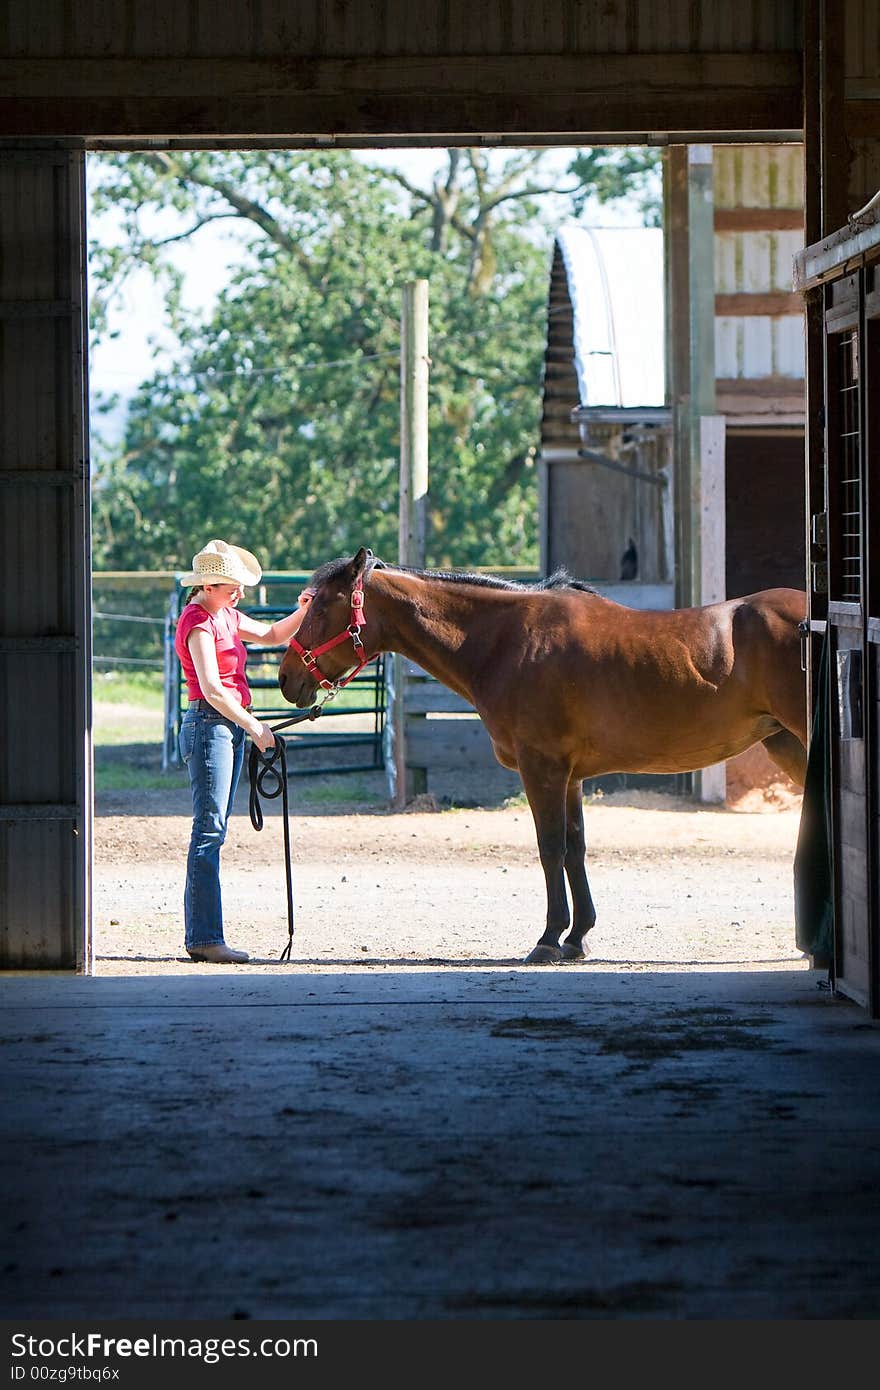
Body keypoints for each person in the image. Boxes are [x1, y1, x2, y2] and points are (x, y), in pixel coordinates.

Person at [174, 538, 312, 964]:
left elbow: (271, 634)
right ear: (209, 584)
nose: (240, 592)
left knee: (213, 829)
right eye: (232, 585)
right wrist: (253, 726)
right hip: (210, 725)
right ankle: (204, 937)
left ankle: (204, 936)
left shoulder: (226, 615)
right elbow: (212, 688)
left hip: (225, 727)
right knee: (209, 829)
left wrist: (303, 611)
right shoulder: (197, 623)